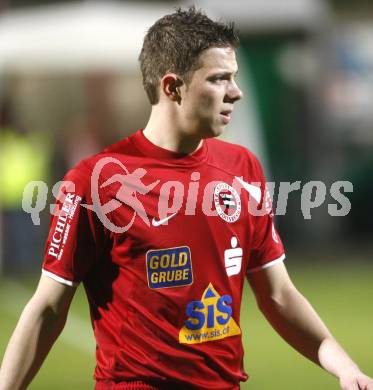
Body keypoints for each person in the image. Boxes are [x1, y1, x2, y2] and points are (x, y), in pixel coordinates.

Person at [0, 7, 372, 390]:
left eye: (234, 78)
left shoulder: (243, 169)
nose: (236, 92)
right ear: (172, 87)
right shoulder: (97, 182)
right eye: (219, 79)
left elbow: (278, 295)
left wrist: (343, 366)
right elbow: (48, 308)